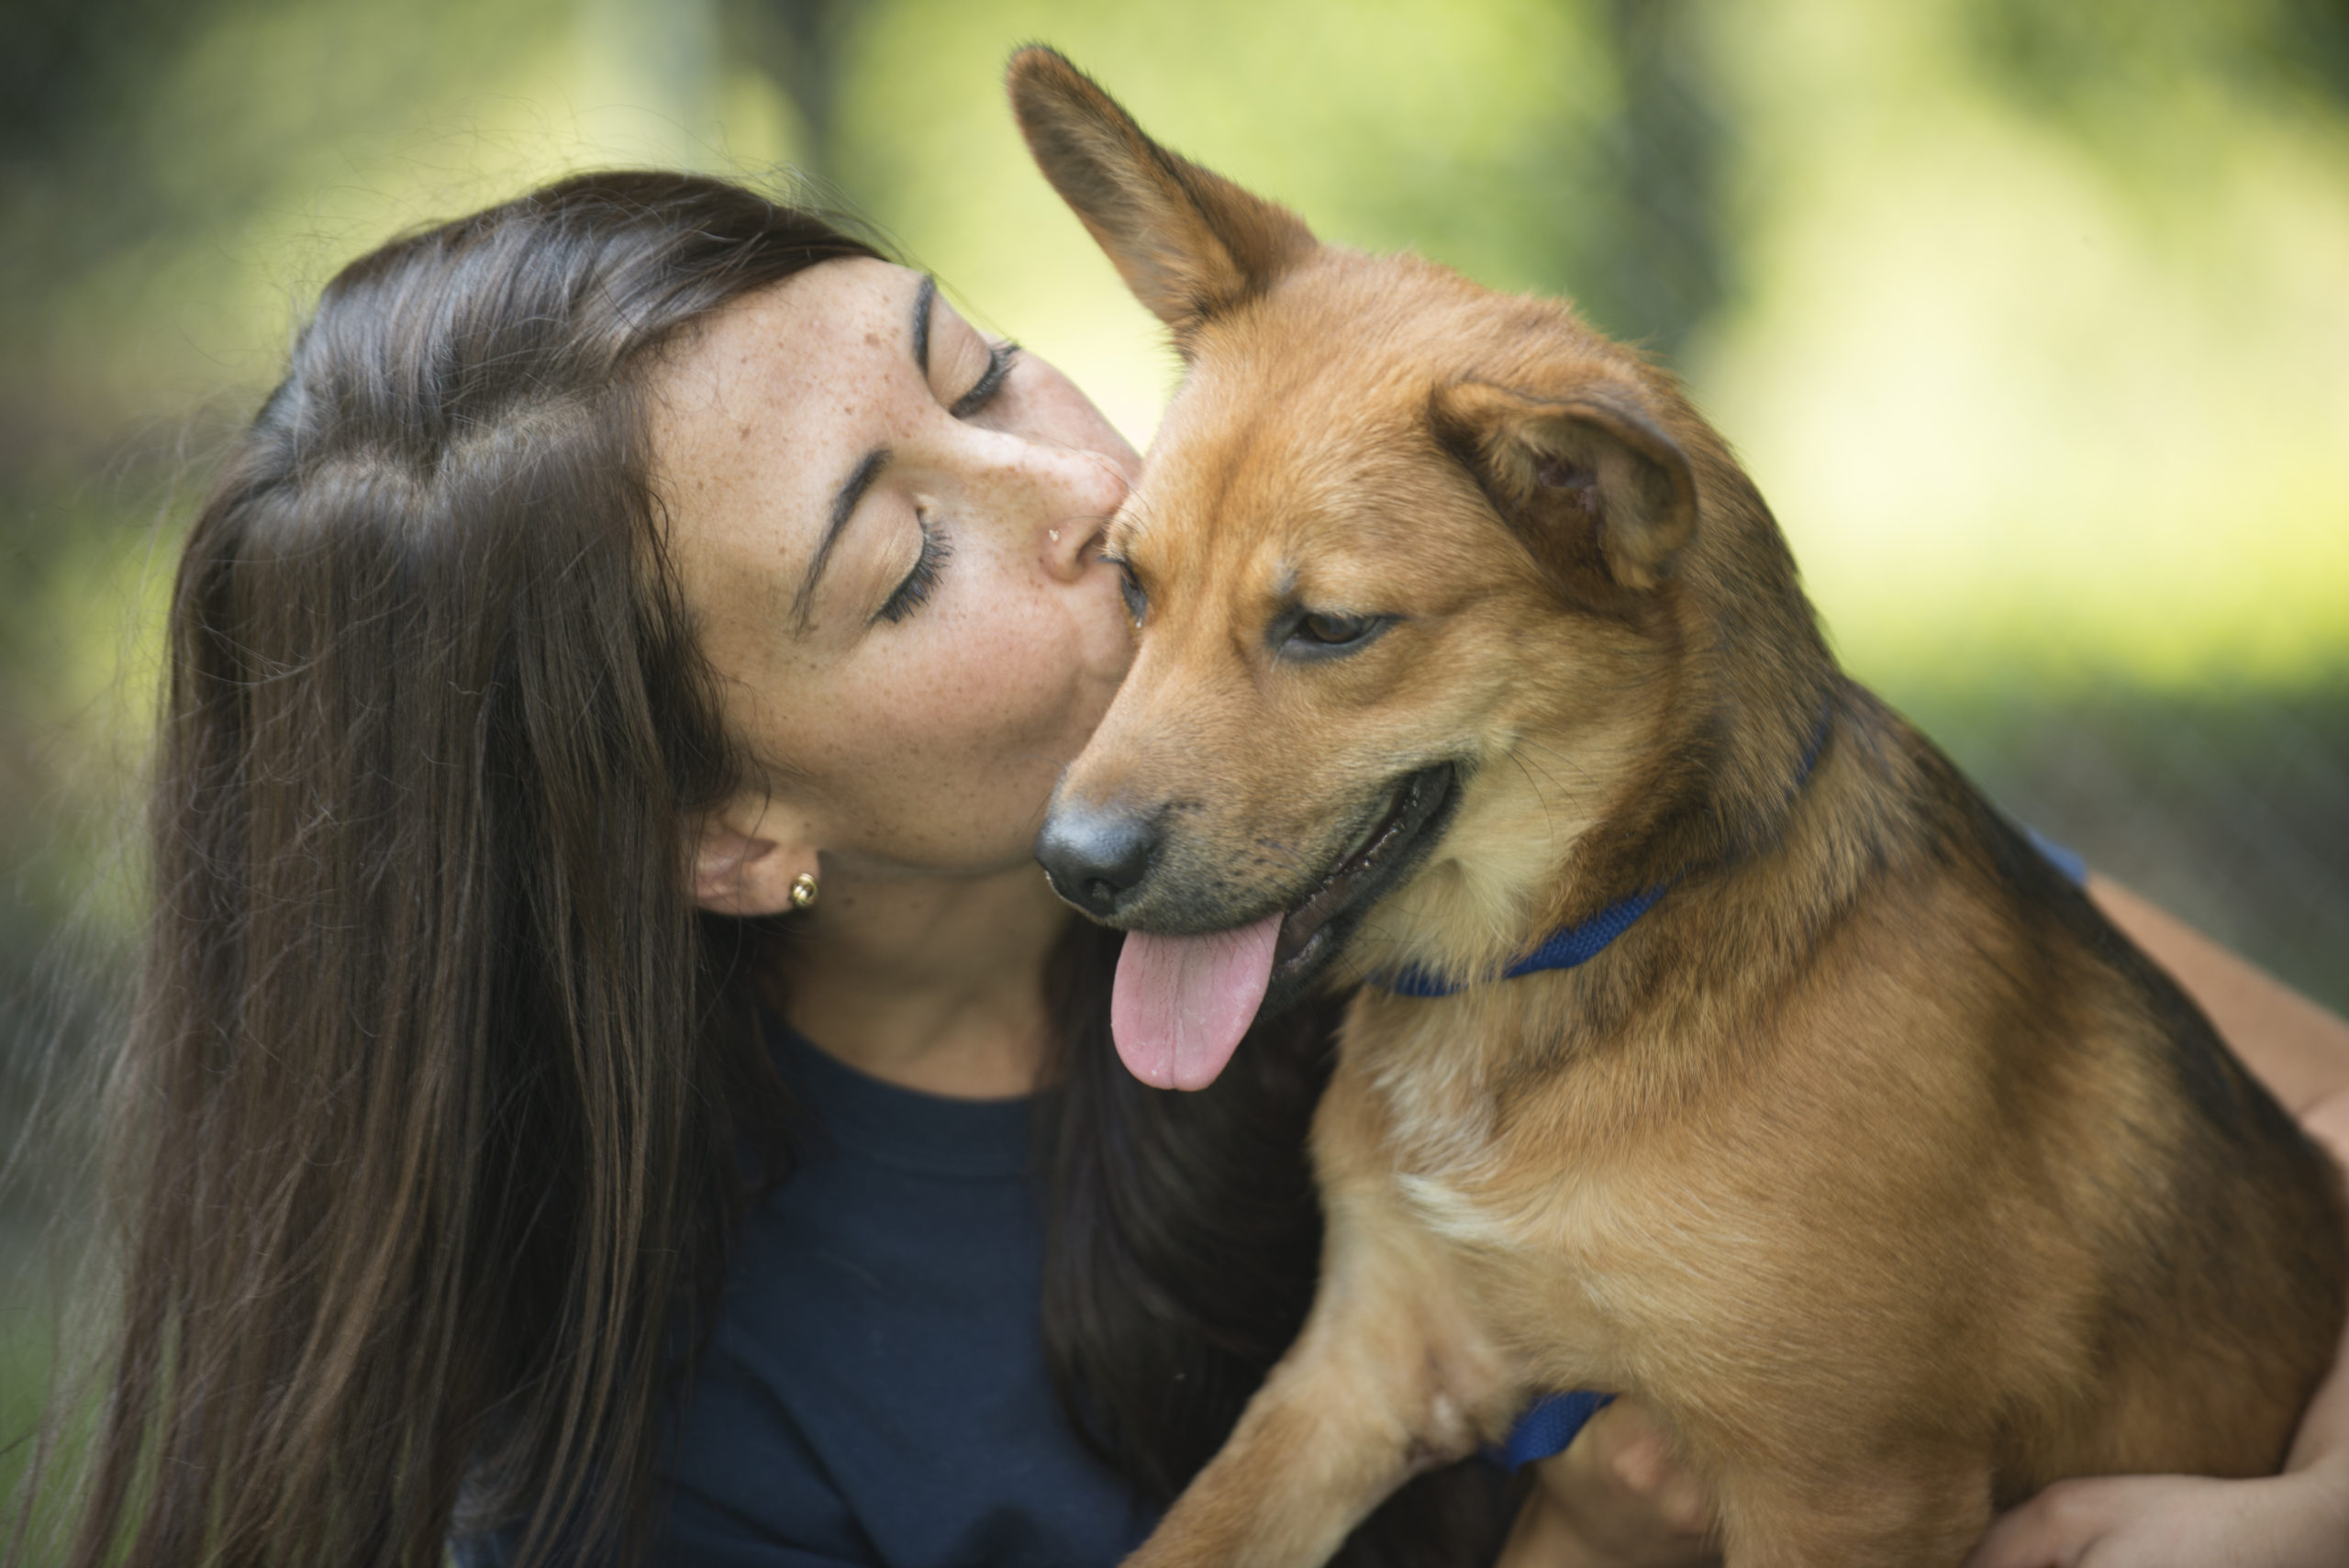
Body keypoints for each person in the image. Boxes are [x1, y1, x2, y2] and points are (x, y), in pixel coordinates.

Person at [18, 172, 2346, 1568]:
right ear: (727, 827)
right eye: (904, 559)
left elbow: (2301, 1148)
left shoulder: (1640, 880)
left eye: (987, 361)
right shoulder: (687, 1443)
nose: (1088, 494)